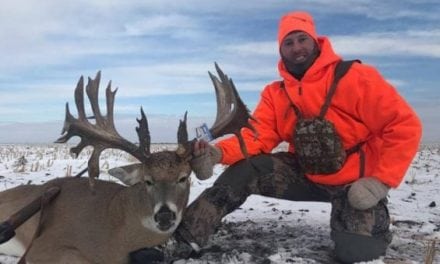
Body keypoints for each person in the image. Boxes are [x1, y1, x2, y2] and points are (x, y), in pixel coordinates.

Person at [131, 11, 422, 263]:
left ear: (315, 41)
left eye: (302, 39)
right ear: (281, 49)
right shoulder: (276, 93)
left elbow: (404, 126)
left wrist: (380, 181)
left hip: (356, 184)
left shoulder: (356, 78)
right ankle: (182, 238)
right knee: (247, 168)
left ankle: (375, 225)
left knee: (357, 254)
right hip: (305, 173)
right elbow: (256, 137)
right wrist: (217, 154)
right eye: (289, 42)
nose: (297, 48)